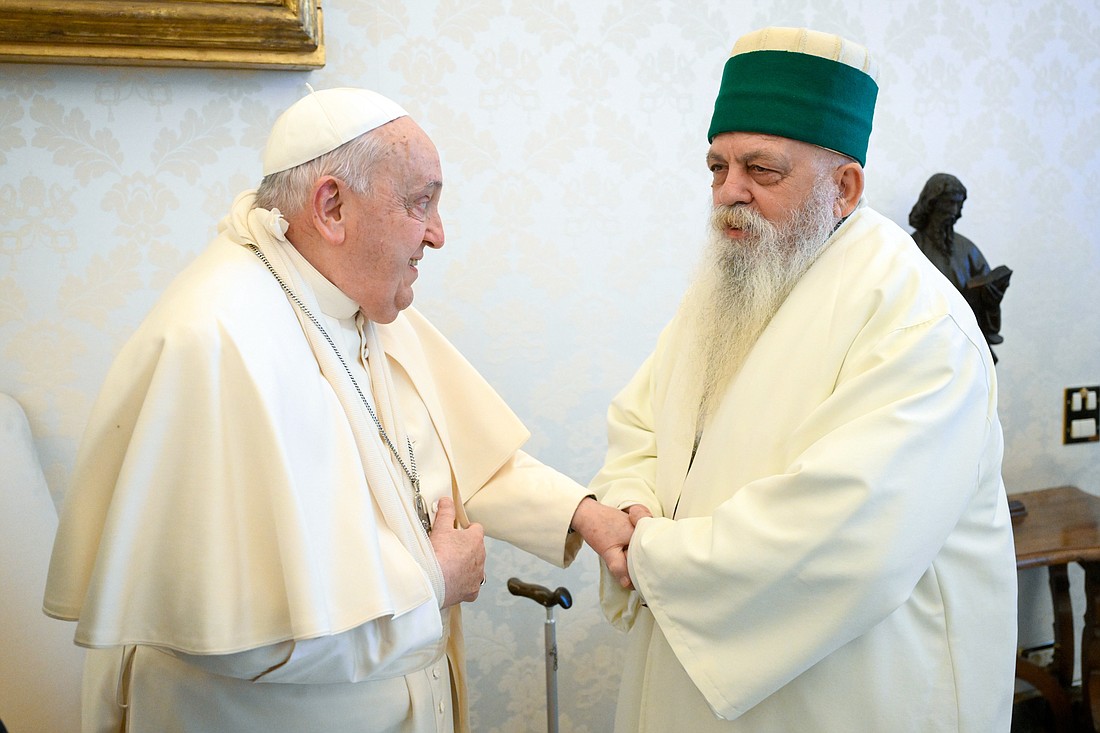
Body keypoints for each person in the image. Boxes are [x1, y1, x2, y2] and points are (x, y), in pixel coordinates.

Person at [43, 87, 634, 733]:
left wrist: (583, 513)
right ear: (331, 206)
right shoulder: (218, 339)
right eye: (420, 202)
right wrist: (432, 583)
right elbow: (239, 635)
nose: (438, 233)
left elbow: (455, 452)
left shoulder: (347, 298)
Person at [591, 27, 1018, 732]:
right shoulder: (729, 285)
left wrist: (649, 551)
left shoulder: (915, 321)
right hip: (692, 658)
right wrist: (632, 500)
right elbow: (641, 421)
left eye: (762, 171)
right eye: (717, 167)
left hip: (847, 696)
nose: (731, 192)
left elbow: (846, 538)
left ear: (844, 186)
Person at [909, 172, 1011, 359]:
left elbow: (989, 318)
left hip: (967, 348)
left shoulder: (968, 250)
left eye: (959, 204)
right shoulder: (910, 249)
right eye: (949, 203)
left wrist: (991, 301)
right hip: (927, 350)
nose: (955, 212)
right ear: (932, 203)